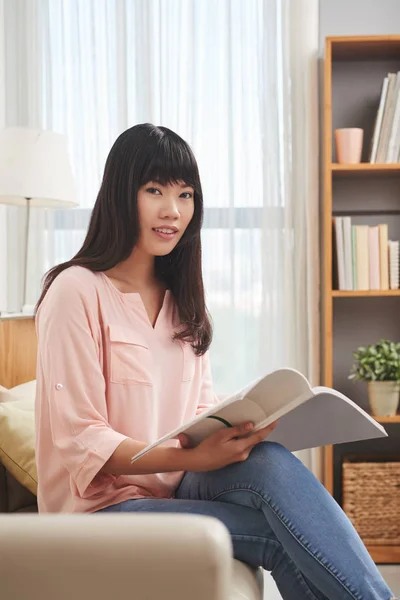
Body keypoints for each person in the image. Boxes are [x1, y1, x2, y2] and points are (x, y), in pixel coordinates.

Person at [35, 123, 395, 600]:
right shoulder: (75, 291)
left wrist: (246, 423)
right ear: (122, 195)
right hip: (100, 511)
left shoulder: (183, 301)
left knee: (267, 459)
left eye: (185, 195)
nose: (172, 211)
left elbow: (194, 407)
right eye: (154, 190)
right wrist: (191, 458)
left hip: (174, 488)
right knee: (275, 537)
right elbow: (81, 438)